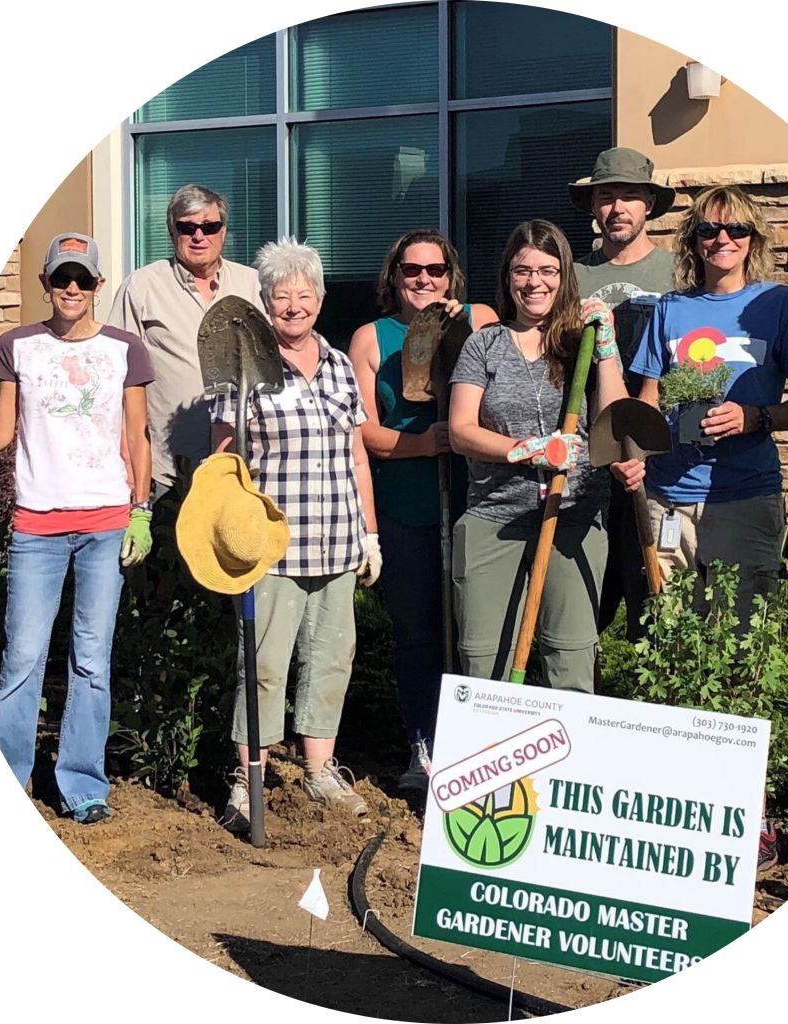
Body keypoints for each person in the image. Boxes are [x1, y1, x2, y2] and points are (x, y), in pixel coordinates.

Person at [617, 185, 788, 873]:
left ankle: (749, 815)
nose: (721, 241)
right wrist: (634, 458)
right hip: (671, 501)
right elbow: (642, 403)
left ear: (753, 238)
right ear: (692, 243)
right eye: (707, 231)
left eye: (734, 231)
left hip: (743, 497)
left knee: (741, 653)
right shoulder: (669, 310)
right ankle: (682, 807)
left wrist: (756, 418)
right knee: (669, 645)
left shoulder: (778, 307)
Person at [0, 233, 154, 823]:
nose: (71, 289)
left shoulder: (125, 351)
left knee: (91, 657)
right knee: (23, 654)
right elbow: (4, 429)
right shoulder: (18, 345)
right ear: (45, 284)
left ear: (97, 287)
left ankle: (83, 784)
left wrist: (142, 510)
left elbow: (136, 436)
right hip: (36, 527)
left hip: (107, 522)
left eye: (82, 279)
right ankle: (4, 778)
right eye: (62, 278)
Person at [212, 237, 380, 831]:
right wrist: (234, 538)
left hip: (337, 539)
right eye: (279, 296)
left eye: (302, 295)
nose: (292, 306)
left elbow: (357, 454)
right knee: (262, 665)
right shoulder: (245, 370)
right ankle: (247, 778)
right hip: (273, 549)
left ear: (320, 298)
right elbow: (224, 463)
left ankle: (319, 771)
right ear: (264, 302)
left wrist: (370, 535)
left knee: (332, 658)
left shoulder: (338, 365)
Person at [348, 230, 497, 799]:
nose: (424, 280)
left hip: (475, 501)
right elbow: (365, 432)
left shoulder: (479, 318)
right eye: (412, 270)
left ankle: (478, 745)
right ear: (395, 276)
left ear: (450, 274)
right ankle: (424, 743)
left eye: (435, 270)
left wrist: (459, 333)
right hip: (407, 502)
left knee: (475, 631)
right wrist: (427, 442)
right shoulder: (371, 338)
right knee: (417, 633)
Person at [448, 219, 625, 690]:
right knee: (486, 659)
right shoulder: (483, 344)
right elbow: (461, 430)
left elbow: (613, 423)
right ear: (508, 277)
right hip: (494, 518)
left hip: (573, 518)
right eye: (524, 270)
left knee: (571, 657)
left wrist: (606, 349)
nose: (535, 282)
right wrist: (526, 450)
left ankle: (562, 766)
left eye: (548, 270)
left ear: (564, 275)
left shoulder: (579, 342)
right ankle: (497, 762)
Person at [568, 147, 677, 639]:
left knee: (651, 604)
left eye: (629, 197)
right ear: (593, 207)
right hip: (589, 456)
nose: (617, 208)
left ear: (649, 204)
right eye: (606, 197)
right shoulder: (572, 276)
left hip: (654, 458)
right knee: (582, 604)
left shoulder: (678, 275)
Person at [107, 183, 262, 499]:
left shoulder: (253, 285)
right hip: (168, 473)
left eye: (209, 226)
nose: (199, 236)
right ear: (171, 232)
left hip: (245, 467)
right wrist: (126, 464)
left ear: (224, 231)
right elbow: (113, 377)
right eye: (187, 227)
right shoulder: (142, 287)